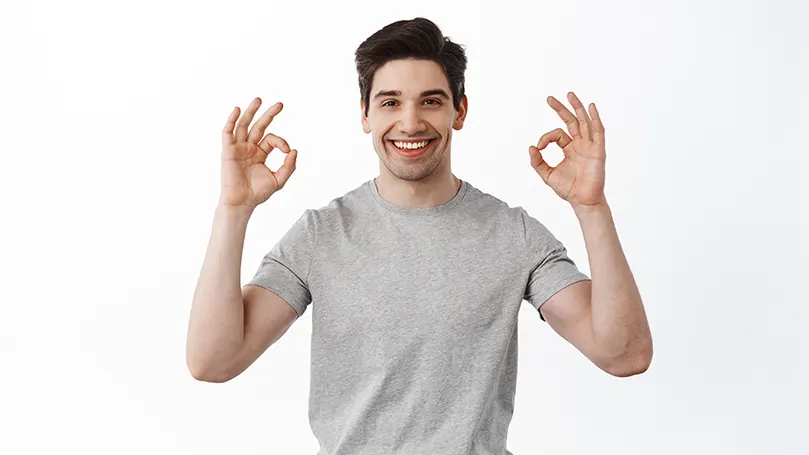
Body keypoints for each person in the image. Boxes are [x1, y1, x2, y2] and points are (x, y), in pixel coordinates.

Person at [186, 17, 652, 455]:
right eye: (390, 102)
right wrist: (234, 209)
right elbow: (213, 361)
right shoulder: (320, 235)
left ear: (459, 111)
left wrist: (591, 208)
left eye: (430, 100)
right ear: (365, 114)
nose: (410, 123)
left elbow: (624, 354)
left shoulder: (514, 234)